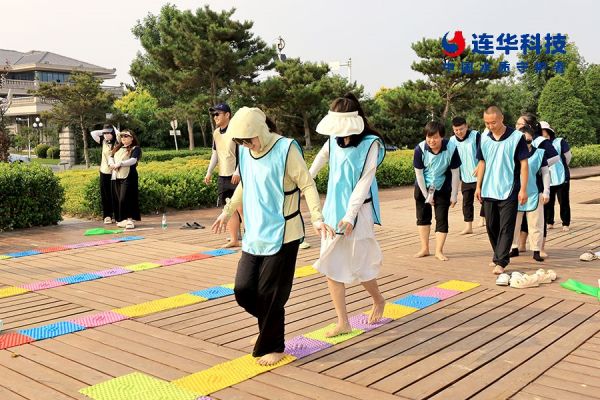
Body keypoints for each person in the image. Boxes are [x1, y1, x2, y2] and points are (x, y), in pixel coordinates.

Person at [211, 107, 334, 366]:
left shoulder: (286, 148)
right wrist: (227, 211)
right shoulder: (246, 152)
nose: (247, 145)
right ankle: (270, 323)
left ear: (261, 129)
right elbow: (245, 184)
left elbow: (307, 183)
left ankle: (275, 345)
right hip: (255, 233)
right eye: (242, 142)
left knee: (270, 293)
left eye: (249, 140)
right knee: (243, 290)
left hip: (284, 233)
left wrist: (317, 217)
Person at [309, 93, 386, 338]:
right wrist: (303, 183)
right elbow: (317, 163)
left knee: (361, 265)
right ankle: (343, 321)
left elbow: (365, 181)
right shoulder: (333, 140)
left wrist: (351, 215)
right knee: (330, 264)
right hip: (333, 210)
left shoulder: (371, 144)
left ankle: (378, 299)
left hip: (359, 212)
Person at [475, 106, 529, 274]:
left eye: (493, 122)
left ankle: (501, 261)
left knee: (506, 226)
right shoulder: (484, 138)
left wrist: (523, 189)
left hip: (509, 189)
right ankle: (498, 254)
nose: (490, 126)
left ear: (502, 118)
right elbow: (482, 162)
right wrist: (478, 186)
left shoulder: (516, 137)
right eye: (487, 123)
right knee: (491, 225)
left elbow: (524, 164)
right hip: (488, 189)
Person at [413, 121, 461, 261]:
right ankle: (424, 248)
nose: (431, 141)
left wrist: (454, 195)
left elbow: (455, 173)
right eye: (429, 137)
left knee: (441, 218)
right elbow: (419, 174)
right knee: (422, 217)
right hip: (423, 187)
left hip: (442, 188)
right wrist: (426, 195)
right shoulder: (420, 149)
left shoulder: (451, 148)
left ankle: (439, 251)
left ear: (442, 137)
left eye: (435, 137)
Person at [514, 113, 559, 256]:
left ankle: (538, 249)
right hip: (517, 190)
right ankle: (517, 246)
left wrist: (538, 166)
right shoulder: (514, 145)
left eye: (520, 124)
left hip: (535, 188)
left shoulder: (540, 144)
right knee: (516, 221)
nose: (516, 126)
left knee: (537, 221)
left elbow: (554, 159)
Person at [510, 125, 550, 262]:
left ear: (532, 139)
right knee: (513, 223)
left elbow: (545, 173)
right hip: (514, 193)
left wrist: (546, 191)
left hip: (534, 193)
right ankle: (514, 247)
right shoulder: (512, 153)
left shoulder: (540, 153)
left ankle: (536, 250)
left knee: (536, 223)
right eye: (523, 141)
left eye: (528, 141)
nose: (526, 144)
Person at [205, 103, 242, 247]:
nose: (215, 117)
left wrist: (238, 171)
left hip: (237, 175)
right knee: (228, 208)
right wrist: (209, 171)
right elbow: (215, 153)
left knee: (241, 208)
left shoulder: (236, 130)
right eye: (213, 115)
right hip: (223, 176)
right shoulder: (216, 133)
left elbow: (244, 153)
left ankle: (250, 239)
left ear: (227, 115)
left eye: (217, 114)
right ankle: (234, 240)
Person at [449, 117, 485, 234]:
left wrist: (479, 165)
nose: (459, 132)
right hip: (465, 177)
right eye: (456, 130)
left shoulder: (475, 135)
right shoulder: (452, 141)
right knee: (466, 202)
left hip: (479, 176)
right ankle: (468, 227)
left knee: (484, 200)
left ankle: (483, 218)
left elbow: (484, 152)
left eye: (461, 129)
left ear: (466, 126)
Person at [541, 121, 572, 232]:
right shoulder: (540, 143)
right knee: (548, 201)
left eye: (542, 130)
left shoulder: (560, 141)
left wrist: (562, 166)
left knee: (563, 201)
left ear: (547, 131)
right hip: (547, 176)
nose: (541, 132)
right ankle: (549, 222)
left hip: (561, 176)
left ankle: (565, 223)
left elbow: (568, 156)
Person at [109, 129, 142, 229]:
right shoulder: (117, 148)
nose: (123, 138)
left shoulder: (135, 148)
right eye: (122, 136)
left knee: (127, 198)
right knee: (118, 198)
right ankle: (122, 219)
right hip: (116, 176)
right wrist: (112, 164)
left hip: (129, 176)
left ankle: (130, 219)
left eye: (126, 136)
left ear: (132, 138)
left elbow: (133, 160)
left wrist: (120, 163)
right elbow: (111, 157)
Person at [90, 124, 118, 224]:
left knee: (116, 194)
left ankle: (117, 215)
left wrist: (114, 129)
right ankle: (107, 216)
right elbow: (93, 133)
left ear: (113, 133)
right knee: (105, 195)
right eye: (104, 133)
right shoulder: (102, 141)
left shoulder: (118, 142)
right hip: (104, 171)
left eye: (108, 133)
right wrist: (104, 131)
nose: (106, 135)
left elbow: (119, 134)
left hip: (116, 172)